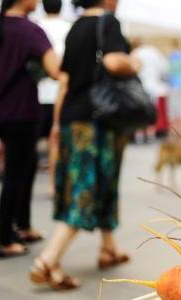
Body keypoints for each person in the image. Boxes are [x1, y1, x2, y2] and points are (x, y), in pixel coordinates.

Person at [30, 0, 134, 290]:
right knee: (86, 189)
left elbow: (64, 80)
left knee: (96, 182)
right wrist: (132, 62)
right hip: (98, 121)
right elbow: (115, 62)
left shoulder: (75, 27)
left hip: (71, 117)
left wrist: (55, 123)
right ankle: (47, 261)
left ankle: (108, 248)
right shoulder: (108, 22)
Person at [0, 0, 60, 258]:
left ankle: (22, 225)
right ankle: (4, 239)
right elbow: (55, 70)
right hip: (21, 111)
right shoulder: (28, 30)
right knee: (15, 172)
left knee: (28, 163)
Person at [37, 0, 71, 195]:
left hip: (39, 92)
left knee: (31, 142)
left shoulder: (36, 27)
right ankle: (53, 185)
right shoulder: (69, 28)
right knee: (56, 141)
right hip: (62, 92)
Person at [131, 38, 168, 142]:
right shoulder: (154, 51)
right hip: (155, 87)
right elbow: (164, 68)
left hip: (139, 87)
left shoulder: (135, 53)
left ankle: (139, 137)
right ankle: (150, 136)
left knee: (140, 113)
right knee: (152, 113)